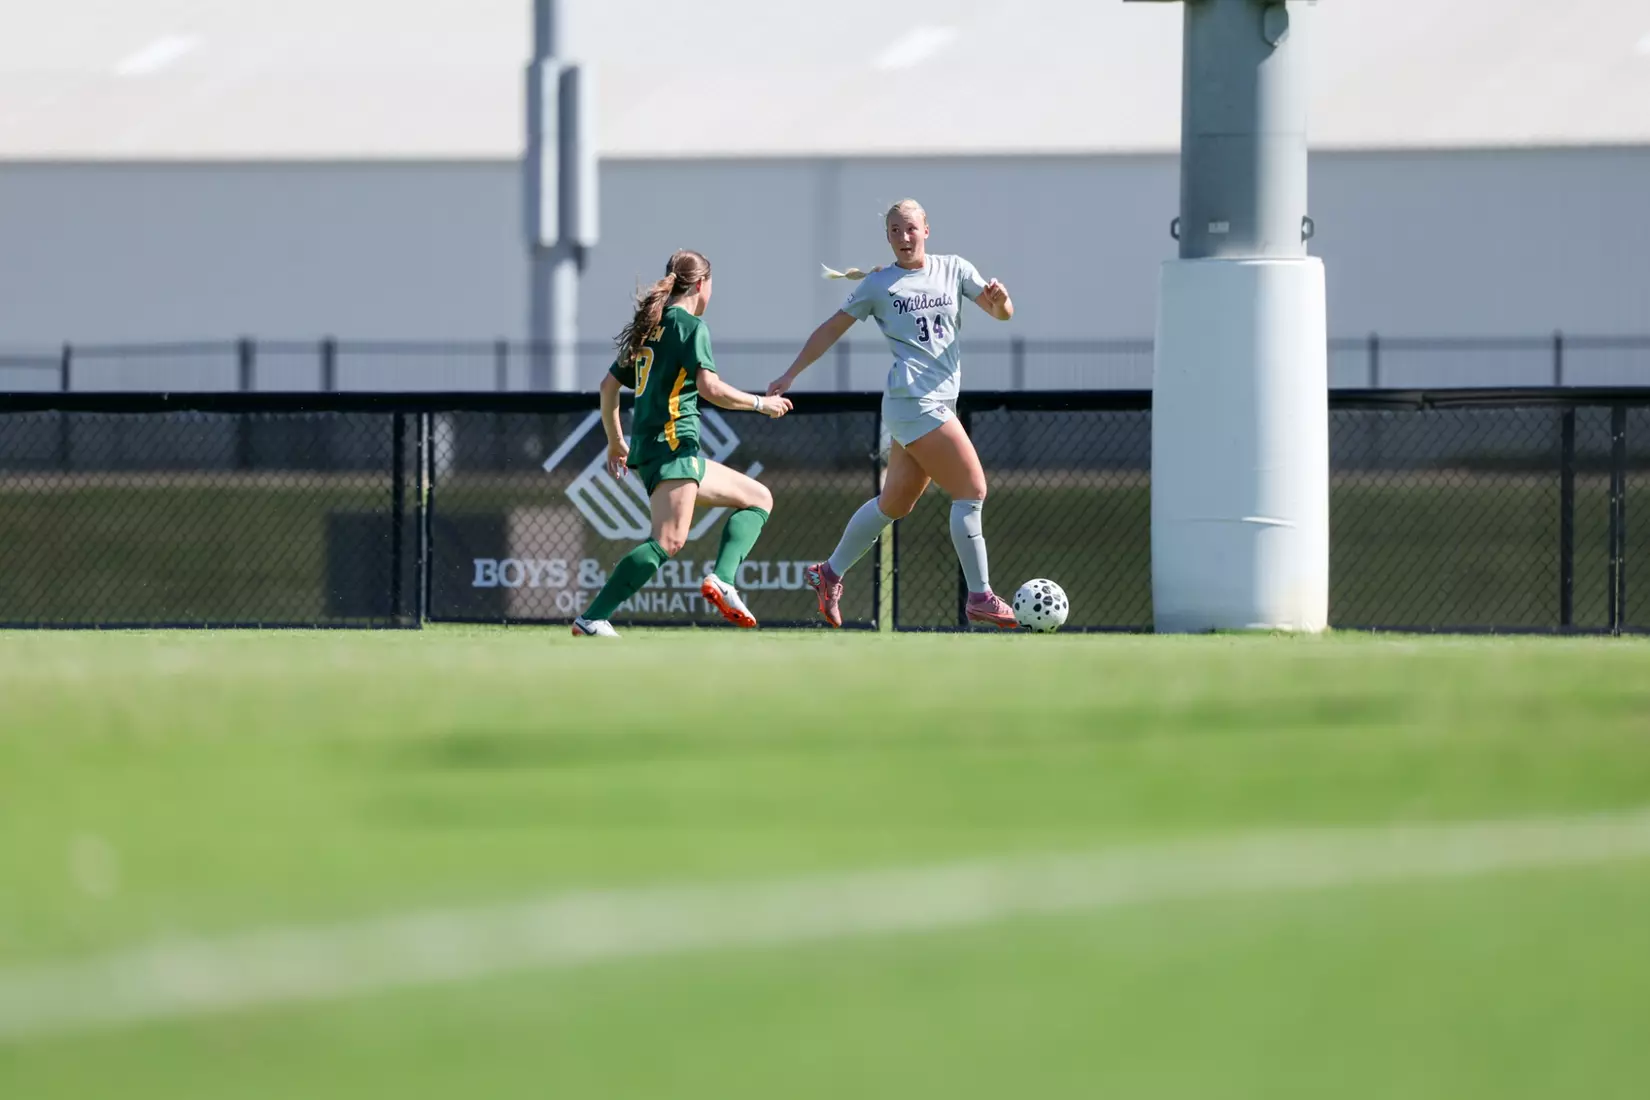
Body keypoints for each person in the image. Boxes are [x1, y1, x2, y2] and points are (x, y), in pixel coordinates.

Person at [768, 200, 1017, 629]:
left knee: (895, 504)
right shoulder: (879, 285)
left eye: (911, 229)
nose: (904, 238)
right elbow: (830, 329)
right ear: (887, 237)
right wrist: (790, 374)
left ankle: (827, 574)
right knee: (972, 490)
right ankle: (980, 597)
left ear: (927, 230)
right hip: (914, 401)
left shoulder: (954, 268)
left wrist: (1002, 301)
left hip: (931, 402)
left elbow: (1001, 314)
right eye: (895, 231)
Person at [573, 250, 792, 638]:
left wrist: (615, 442)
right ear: (703, 284)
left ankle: (723, 580)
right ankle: (592, 618)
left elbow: (609, 388)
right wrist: (762, 403)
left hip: (658, 449)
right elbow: (710, 389)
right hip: (674, 448)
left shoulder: (648, 325)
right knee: (667, 541)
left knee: (758, 497)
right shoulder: (690, 326)